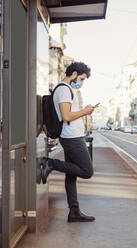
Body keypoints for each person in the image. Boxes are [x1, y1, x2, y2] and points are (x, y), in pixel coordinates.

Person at [40, 62, 97, 222]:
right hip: (71, 137)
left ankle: (74, 212)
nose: (82, 82)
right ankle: (50, 164)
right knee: (87, 171)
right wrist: (85, 111)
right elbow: (66, 116)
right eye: (82, 78)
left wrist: (84, 111)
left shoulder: (67, 89)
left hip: (72, 135)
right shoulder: (64, 90)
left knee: (72, 175)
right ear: (73, 74)